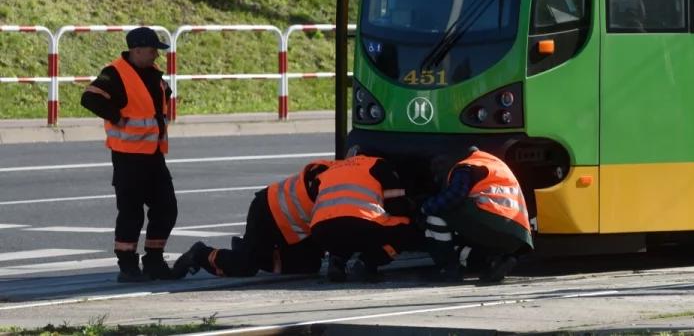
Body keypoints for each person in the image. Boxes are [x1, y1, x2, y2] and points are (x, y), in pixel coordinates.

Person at [80, 26, 177, 283]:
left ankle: (154, 261)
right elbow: (89, 98)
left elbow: (161, 99)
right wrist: (116, 116)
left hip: (153, 154)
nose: (156, 55)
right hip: (128, 157)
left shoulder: (154, 74)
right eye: (152, 50)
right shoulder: (114, 73)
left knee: (166, 208)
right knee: (131, 213)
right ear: (136, 50)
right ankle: (128, 266)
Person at [171, 159, 334, 279]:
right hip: (270, 210)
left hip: (291, 222)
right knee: (244, 267)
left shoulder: (346, 171)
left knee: (309, 266)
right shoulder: (341, 177)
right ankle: (200, 254)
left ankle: (254, 251)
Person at [422, 147, 533, 283]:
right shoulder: (492, 162)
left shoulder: (465, 166)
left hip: (493, 221)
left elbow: (454, 195)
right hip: (519, 235)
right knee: (461, 241)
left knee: (437, 214)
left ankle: (449, 269)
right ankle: (495, 260)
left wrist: (424, 208)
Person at [308, 153, 422, 282]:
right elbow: (396, 207)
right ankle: (367, 263)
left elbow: (314, 196)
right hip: (362, 226)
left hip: (321, 230)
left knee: (341, 229)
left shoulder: (330, 169)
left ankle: (337, 261)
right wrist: (414, 206)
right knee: (405, 226)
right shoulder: (379, 165)